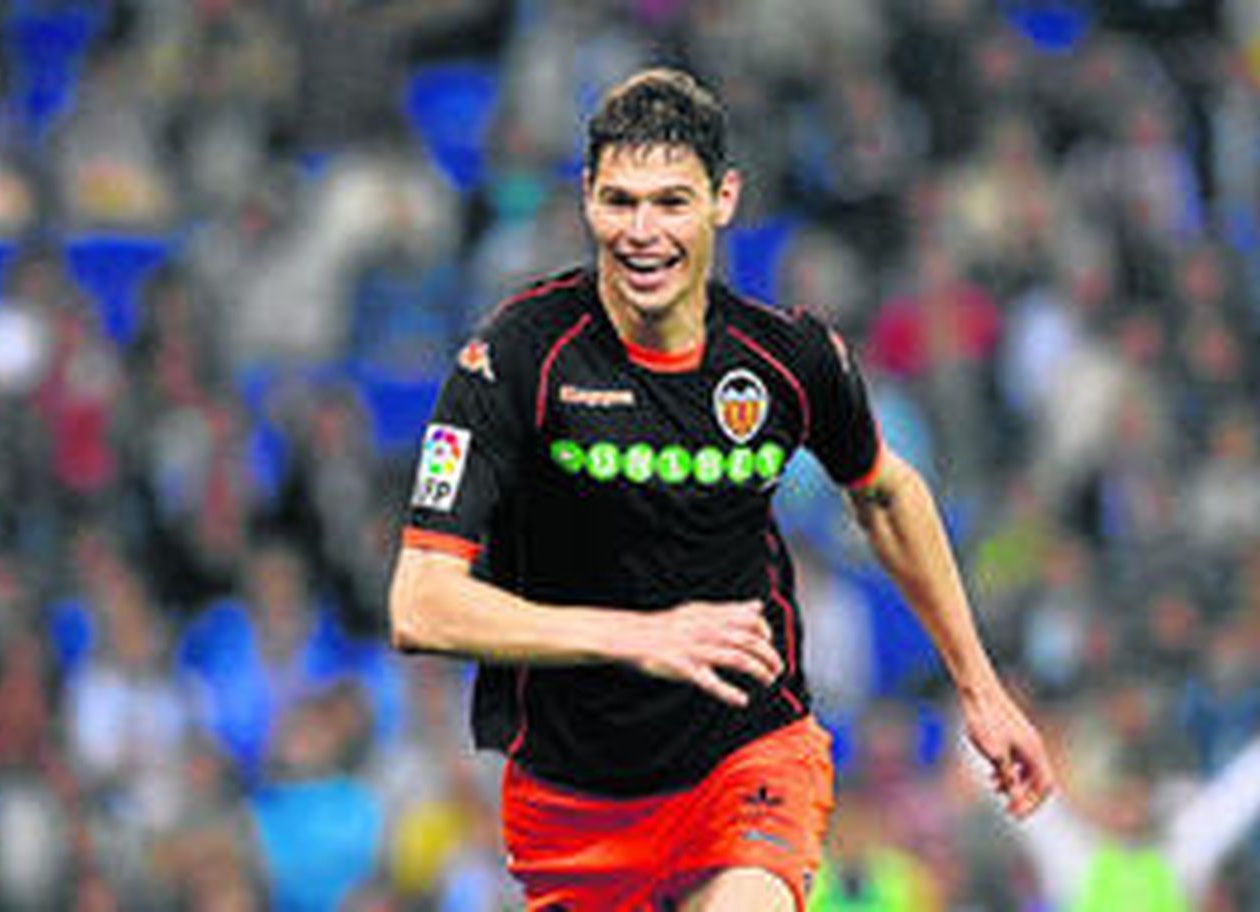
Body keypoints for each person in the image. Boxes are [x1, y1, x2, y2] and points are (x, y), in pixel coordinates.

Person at [387, 67, 1054, 912]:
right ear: (587, 200)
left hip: (746, 761)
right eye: (620, 201)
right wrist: (640, 637)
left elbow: (885, 493)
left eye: (672, 201)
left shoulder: (789, 360)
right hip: (574, 807)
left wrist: (980, 690)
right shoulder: (513, 361)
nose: (643, 232)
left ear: (724, 199)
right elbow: (420, 606)